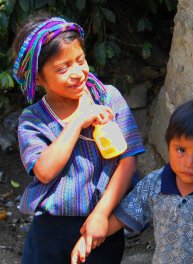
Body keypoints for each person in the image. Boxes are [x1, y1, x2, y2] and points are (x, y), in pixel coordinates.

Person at [12, 13, 145, 263]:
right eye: (63, 68)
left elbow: (128, 161)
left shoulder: (108, 98)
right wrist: (79, 121)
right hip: (49, 232)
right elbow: (44, 171)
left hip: (101, 224)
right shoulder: (33, 120)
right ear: (38, 78)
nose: (77, 73)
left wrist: (101, 216)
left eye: (80, 60)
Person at [71, 99, 193, 264]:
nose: (189, 163)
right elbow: (126, 214)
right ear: (168, 145)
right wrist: (88, 238)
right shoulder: (155, 183)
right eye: (181, 150)